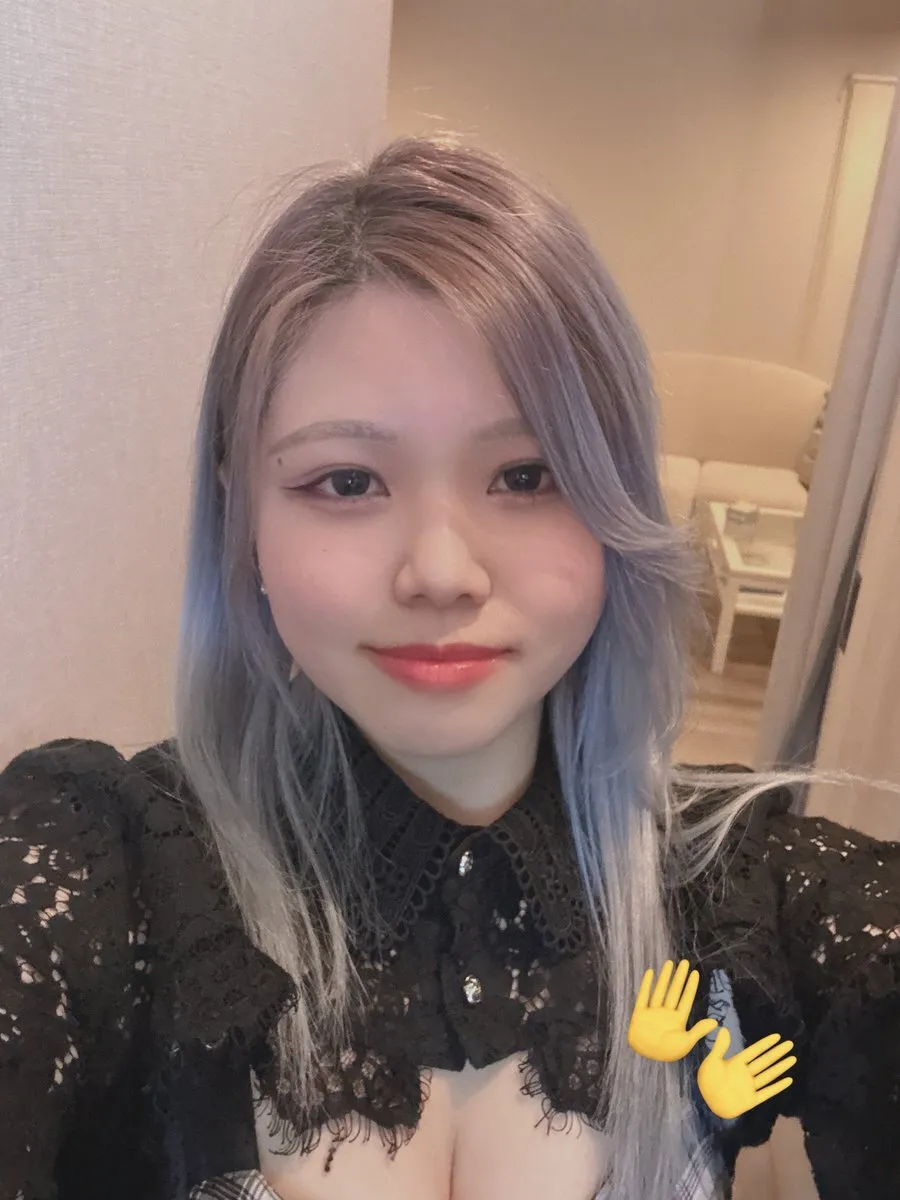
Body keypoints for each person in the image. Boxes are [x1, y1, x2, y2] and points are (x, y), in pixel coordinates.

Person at [2, 134, 899, 1200]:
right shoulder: (110, 870)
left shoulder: (741, 888)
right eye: (346, 481)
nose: (439, 571)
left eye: (526, 474)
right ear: (242, 516)